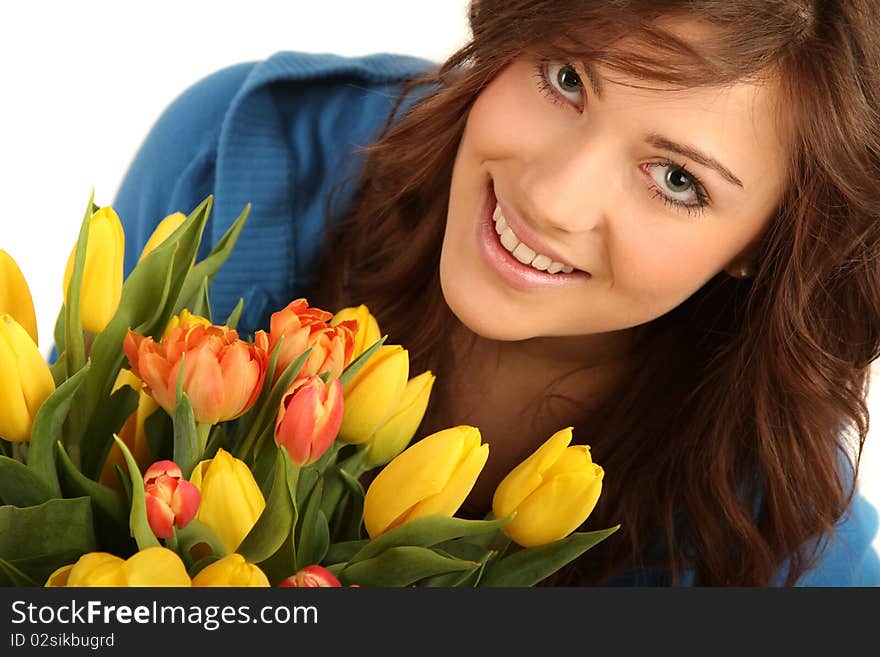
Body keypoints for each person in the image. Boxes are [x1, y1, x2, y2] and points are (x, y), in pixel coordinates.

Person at [112, 0, 880, 586]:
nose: (552, 199)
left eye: (677, 180)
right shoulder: (236, 160)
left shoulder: (781, 537)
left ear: (770, 246)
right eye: (566, 79)